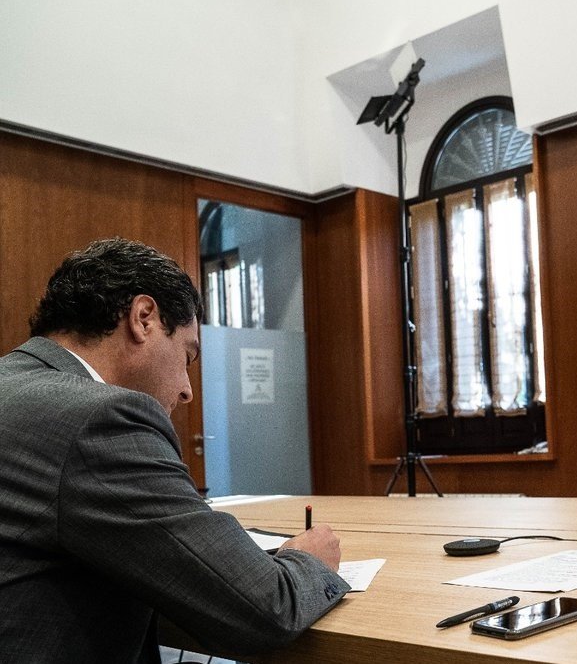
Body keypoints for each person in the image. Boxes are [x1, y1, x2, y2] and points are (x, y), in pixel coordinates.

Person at [0, 239, 349, 661]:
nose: (186, 390)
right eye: (187, 356)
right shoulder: (101, 419)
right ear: (144, 318)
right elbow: (265, 609)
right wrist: (308, 561)